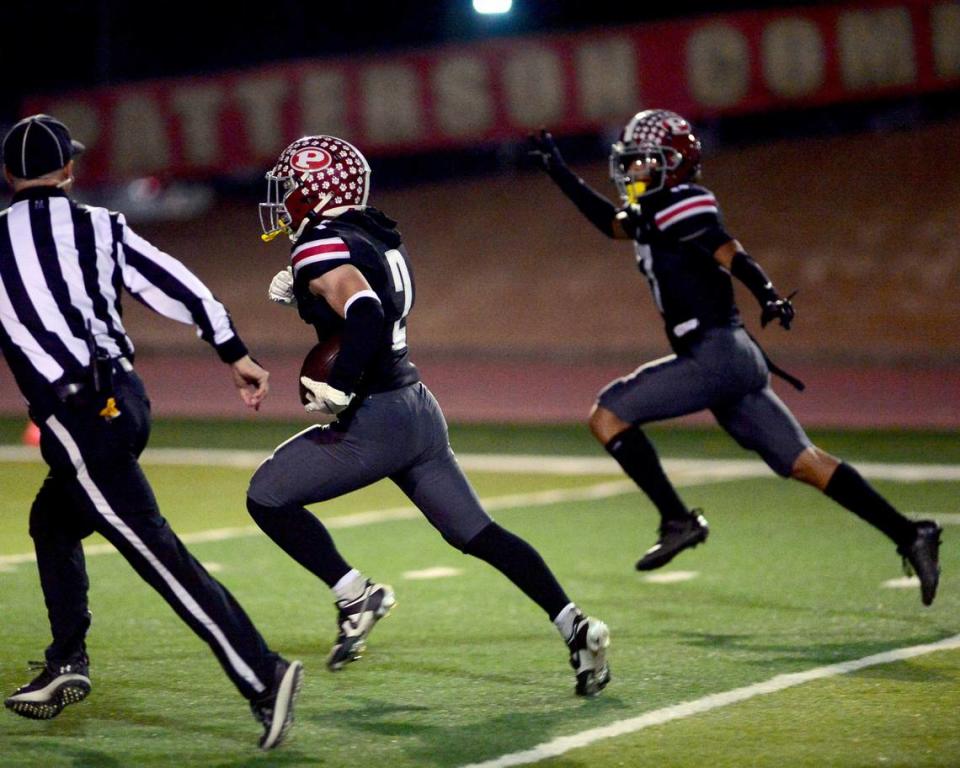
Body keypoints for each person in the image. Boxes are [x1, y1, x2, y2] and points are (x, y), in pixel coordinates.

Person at [528, 109, 942, 606]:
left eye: (643, 162)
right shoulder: (653, 211)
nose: (633, 172)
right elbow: (609, 223)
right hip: (733, 357)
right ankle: (910, 532)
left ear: (675, 164)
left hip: (717, 355)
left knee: (607, 415)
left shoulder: (683, 202)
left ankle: (678, 519)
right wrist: (558, 172)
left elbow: (727, 250)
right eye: (631, 163)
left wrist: (766, 292)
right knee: (806, 463)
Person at [248, 134, 610, 696]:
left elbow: (365, 310)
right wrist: (305, 296)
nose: (286, 196)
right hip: (417, 407)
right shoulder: (376, 232)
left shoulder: (320, 242)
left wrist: (339, 387)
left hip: (375, 418)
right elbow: (378, 300)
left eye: (294, 184)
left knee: (266, 495)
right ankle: (575, 625)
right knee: (480, 533)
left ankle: (355, 593)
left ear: (315, 189)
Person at [0, 114, 302, 749]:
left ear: (8, 176)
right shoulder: (101, 227)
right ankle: (66, 660)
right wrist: (234, 352)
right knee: (52, 522)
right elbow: (176, 285)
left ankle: (264, 675)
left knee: (158, 558)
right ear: (68, 171)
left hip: (78, 415)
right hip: (124, 402)